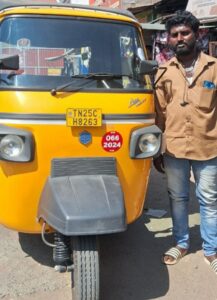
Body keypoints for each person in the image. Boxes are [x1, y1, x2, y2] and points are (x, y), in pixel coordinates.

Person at [154, 10, 217, 275]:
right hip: (174, 147)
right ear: (168, 40)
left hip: (209, 146)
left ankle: (212, 249)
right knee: (178, 199)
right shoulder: (163, 72)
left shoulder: (214, 68)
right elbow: (158, 112)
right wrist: (157, 147)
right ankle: (180, 243)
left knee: (209, 200)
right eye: (174, 34)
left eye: (185, 33)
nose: (179, 38)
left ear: (197, 35)